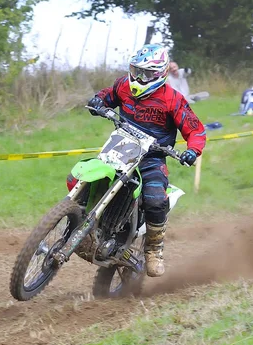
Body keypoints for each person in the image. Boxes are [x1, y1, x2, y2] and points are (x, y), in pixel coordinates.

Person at [86, 44, 206, 277]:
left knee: (155, 199)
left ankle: (153, 249)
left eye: (147, 74)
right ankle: (76, 213)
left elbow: (196, 130)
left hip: (152, 158)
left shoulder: (173, 99)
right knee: (89, 174)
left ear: (160, 74)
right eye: (136, 71)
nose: (140, 78)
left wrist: (192, 150)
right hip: (120, 146)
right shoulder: (123, 85)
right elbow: (107, 96)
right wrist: (98, 102)